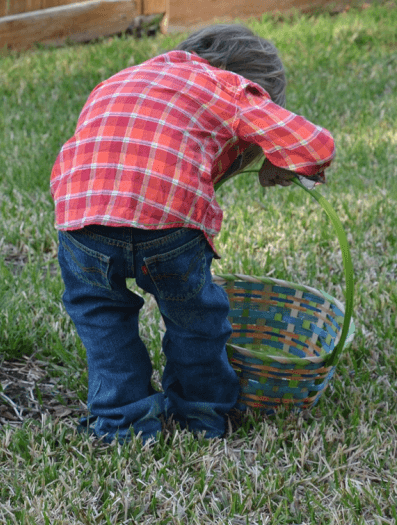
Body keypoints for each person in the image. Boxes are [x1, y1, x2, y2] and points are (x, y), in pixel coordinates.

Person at [50, 24, 335, 443]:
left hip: (81, 214)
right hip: (168, 220)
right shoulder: (229, 87)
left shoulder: (122, 77)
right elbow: (316, 145)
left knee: (102, 321)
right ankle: (200, 418)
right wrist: (279, 158)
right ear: (254, 83)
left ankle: (122, 425)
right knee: (196, 319)